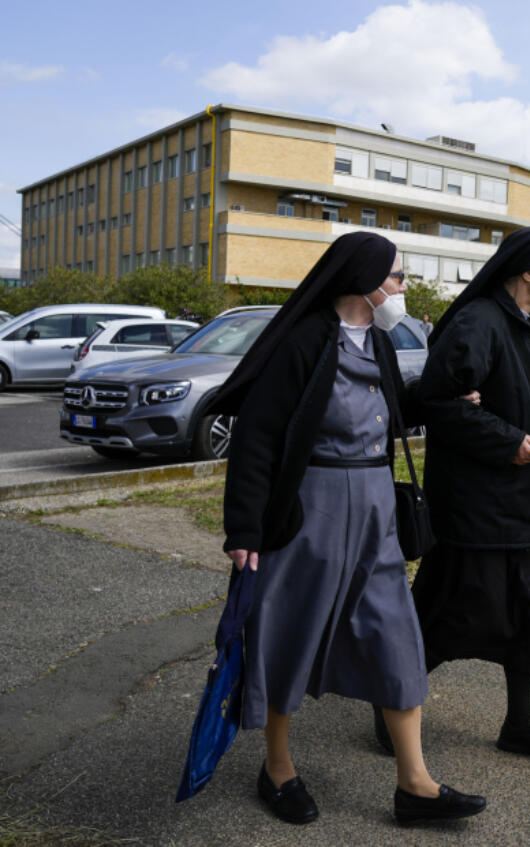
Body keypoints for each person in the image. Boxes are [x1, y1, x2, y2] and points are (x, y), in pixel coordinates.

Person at [212, 232, 485, 826]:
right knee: (289, 634)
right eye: (396, 277)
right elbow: (257, 438)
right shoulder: (305, 341)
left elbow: (391, 407)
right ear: (362, 280)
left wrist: (445, 399)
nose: (403, 288)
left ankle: (415, 785)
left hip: (374, 512)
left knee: (396, 634)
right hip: (309, 511)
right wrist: (244, 530)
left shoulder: (381, 343)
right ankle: (277, 768)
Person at [405, 226, 530, 766]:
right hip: (475, 508)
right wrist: (506, 443)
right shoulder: (476, 322)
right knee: (445, 616)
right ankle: (392, 707)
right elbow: (439, 403)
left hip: (522, 505)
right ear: (528, 272)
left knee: (529, 616)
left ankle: (520, 723)